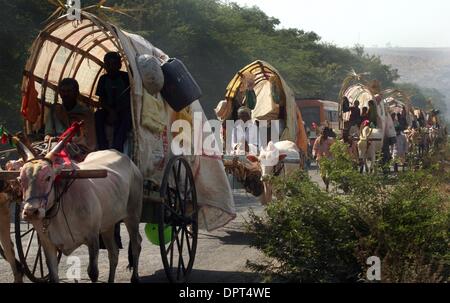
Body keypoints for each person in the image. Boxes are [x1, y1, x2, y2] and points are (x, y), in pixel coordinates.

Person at [45, 78, 96, 154]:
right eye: (63, 91)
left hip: (78, 148)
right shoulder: (55, 111)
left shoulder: (85, 113)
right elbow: (48, 134)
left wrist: (68, 141)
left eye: (69, 91)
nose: (65, 94)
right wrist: (49, 138)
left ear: (76, 93)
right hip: (55, 146)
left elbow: (89, 141)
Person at [95, 52, 132, 153]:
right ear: (105, 66)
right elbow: (101, 100)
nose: (111, 67)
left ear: (120, 65)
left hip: (123, 110)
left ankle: (117, 146)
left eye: (114, 64)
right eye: (108, 64)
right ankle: (102, 146)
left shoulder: (126, 78)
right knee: (98, 115)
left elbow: (130, 99)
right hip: (108, 110)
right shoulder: (103, 79)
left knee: (127, 117)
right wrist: (110, 111)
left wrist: (117, 111)